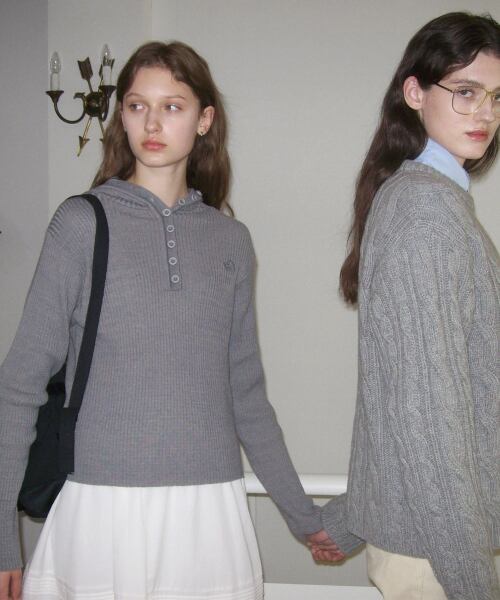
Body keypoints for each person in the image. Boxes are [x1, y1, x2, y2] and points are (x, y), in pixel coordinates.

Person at [0, 41, 342, 600]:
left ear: (204, 120)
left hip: (208, 514)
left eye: (172, 107)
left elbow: (247, 397)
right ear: (122, 117)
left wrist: (303, 518)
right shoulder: (80, 224)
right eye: (137, 106)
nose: (152, 123)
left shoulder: (231, 240)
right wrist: (2, 542)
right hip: (102, 508)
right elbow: (18, 385)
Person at [308, 11, 500, 600]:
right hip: (442, 554)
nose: (485, 113)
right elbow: (429, 412)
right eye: (465, 91)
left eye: (496, 97)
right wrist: (471, 578)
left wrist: (349, 517)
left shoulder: (429, 201)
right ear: (415, 93)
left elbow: (398, 398)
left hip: (433, 539)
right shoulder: (425, 211)